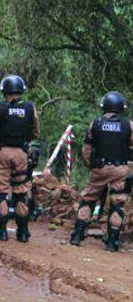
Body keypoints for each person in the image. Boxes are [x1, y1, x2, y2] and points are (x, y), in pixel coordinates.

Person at [69, 92, 133, 251]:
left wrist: (91, 165)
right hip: (120, 170)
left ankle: (77, 236)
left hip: (100, 169)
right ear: (121, 108)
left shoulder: (95, 123)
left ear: (104, 106)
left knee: (88, 199)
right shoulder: (129, 125)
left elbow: (86, 150)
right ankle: (112, 242)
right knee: (117, 204)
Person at [0, 75, 40, 242]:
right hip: (21, 153)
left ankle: (1, 230)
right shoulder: (30, 108)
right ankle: (22, 232)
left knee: (1, 191)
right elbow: (35, 133)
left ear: (4, 91)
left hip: (2, 153)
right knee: (21, 191)